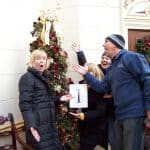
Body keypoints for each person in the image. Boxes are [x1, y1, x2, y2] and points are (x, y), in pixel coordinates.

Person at [73, 34, 150, 150]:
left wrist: (149, 108)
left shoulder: (131, 57)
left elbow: (147, 80)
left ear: (115, 44)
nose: (103, 45)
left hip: (134, 114)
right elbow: (102, 87)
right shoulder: (112, 67)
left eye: (106, 42)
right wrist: (86, 74)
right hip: (119, 115)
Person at [18, 49, 73, 150]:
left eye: (44, 58)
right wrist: (31, 126)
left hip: (48, 125)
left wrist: (60, 99)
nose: (41, 61)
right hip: (38, 127)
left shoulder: (43, 78)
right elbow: (25, 105)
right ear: (32, 61)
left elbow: (45, 101)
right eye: (38, 58)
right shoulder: (27, 78)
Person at [72, 43, 115, 150]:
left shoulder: (113, 73)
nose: (104, 60)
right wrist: (80, 53)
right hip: (88, 122)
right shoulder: (93, 72)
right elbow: (86, 67)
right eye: (103, 58)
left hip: (108, 116)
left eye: (107, 58)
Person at [70, 63, 108, 150]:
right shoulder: (82, 87)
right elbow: (77, 105)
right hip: (84, 127)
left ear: (94, 73)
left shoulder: (101, 89)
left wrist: (83, 115)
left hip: (96, 128)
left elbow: (100, 111)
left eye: (87, 72)